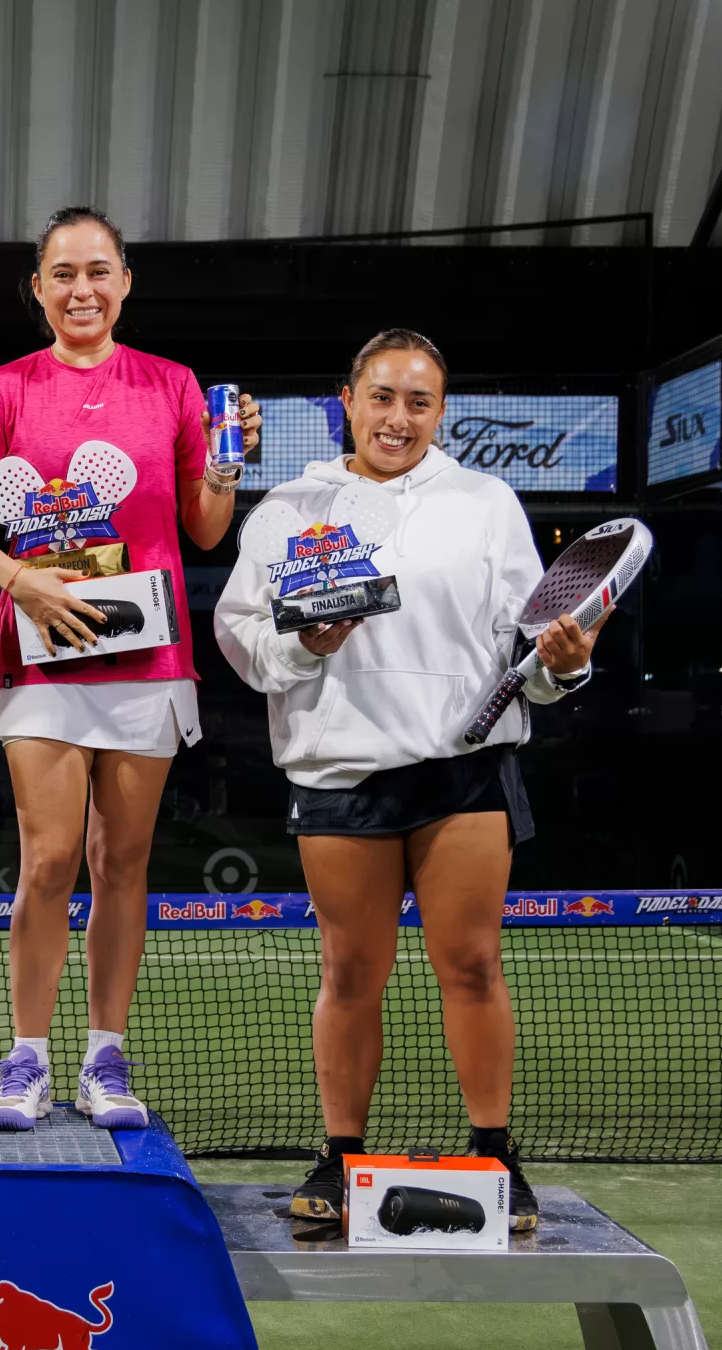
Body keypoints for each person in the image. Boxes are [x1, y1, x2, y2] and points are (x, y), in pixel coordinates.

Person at [215, 330, 597, 1231]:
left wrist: (564, 665)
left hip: (464, 767)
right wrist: (305, 645)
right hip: (338, 768)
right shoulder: (287, 506)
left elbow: (529, 647)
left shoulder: (486, 502)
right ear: (347, 400)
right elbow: (241, 635)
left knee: (472, 963)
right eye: (382, 396)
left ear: (441, 412)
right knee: (350, 972)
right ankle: (341, 1155)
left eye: (419, 402)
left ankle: (494, 1154)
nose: (398, 417)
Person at [0, 205, 258, 1132]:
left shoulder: (173, 384)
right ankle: (26, 1059)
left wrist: (225, 466)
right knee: (48, 859)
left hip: (147, 655)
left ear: (124, 284)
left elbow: (204, 530)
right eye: (64, 273)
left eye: (99, 271)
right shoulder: (6, 389)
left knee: (122, 861)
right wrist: (18, 580)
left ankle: (104, 1059)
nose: (82, 289)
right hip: (43, 653)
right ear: (37, 287)